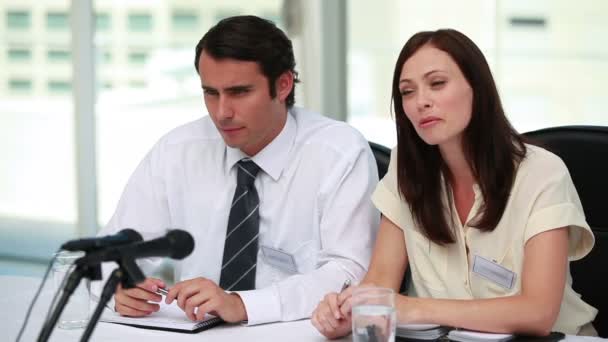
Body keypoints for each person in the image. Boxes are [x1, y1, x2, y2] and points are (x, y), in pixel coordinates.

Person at [311, 28, 598, 338]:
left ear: (477, 87)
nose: (421, 101)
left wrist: (412, 307)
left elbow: (538, 312)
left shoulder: (543, 172)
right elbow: (379, 282)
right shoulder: (405, 170)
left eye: (437, 84)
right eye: (407, 92)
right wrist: (353, 309)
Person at [95, 15, 379, 325]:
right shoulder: (178, 151)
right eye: (210, 93)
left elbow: (351, 274)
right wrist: (118, 287)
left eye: (239, 92)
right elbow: (111, 249)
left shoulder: (339, 153)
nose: (222, 113)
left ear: (283, 85)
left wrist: (244, 304)